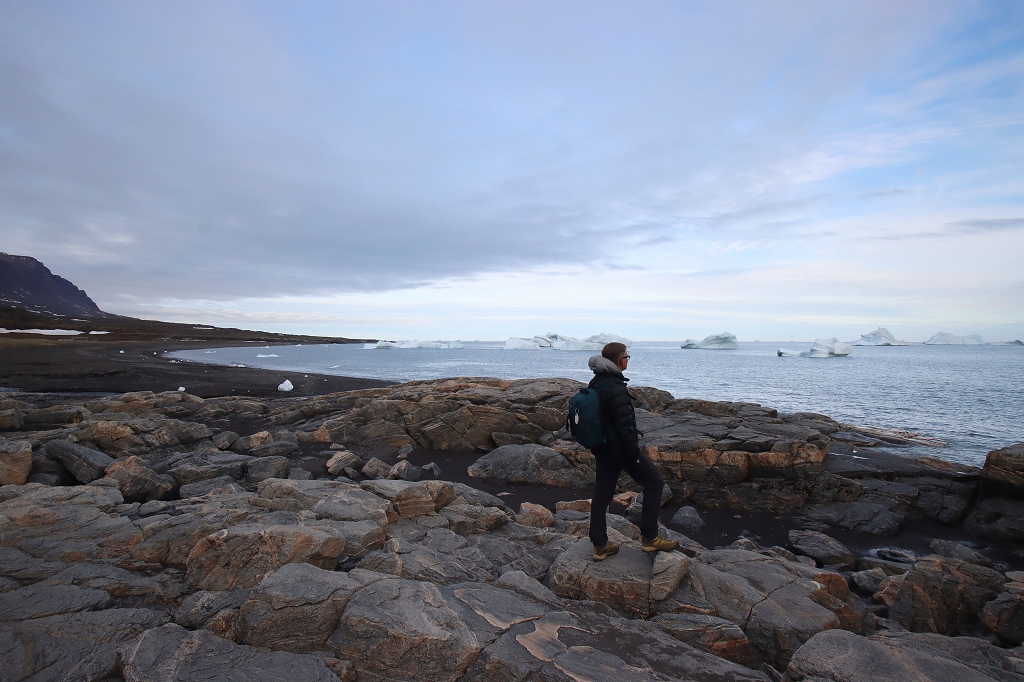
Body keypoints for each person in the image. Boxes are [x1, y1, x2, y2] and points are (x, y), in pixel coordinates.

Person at [587, 342, 678, 560]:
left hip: (602, 448)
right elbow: (624, 426)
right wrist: (634, 455)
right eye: (627, 357)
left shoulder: (596, 382)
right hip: (619, 450)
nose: (628, 360)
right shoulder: (616, 387)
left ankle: (600, 545)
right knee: (655, 483)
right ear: (620, 361)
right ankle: (650, 538)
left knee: (602, 496)